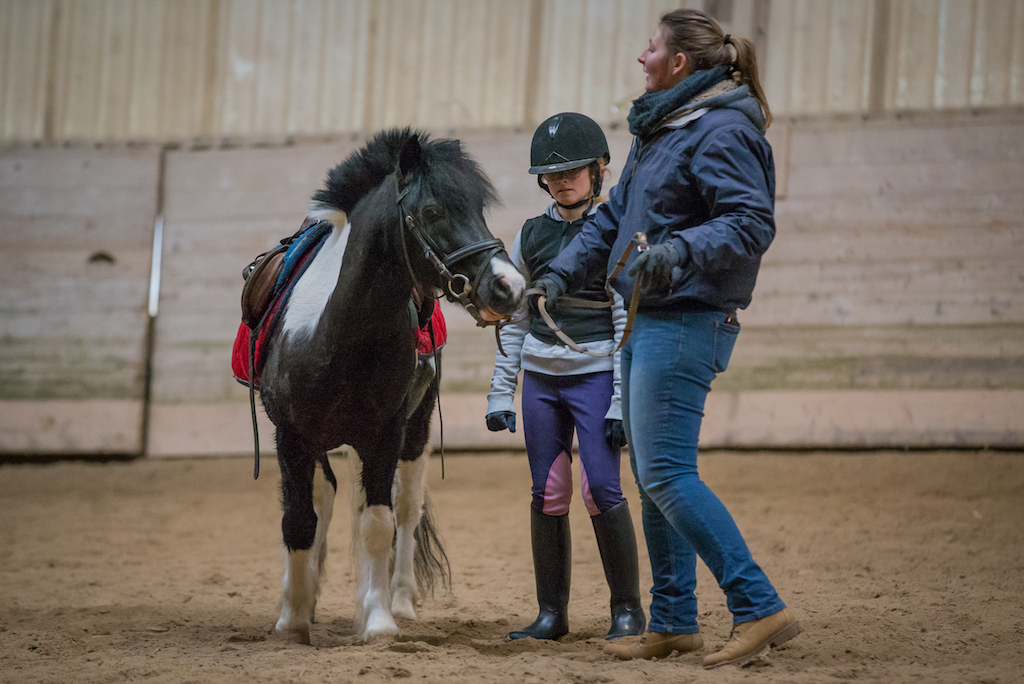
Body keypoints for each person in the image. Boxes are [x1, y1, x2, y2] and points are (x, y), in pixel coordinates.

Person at [529, 9, 802, 669]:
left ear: (679, 62)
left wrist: (677, 252)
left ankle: (758, 605)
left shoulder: (722, 129)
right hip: (654, 316)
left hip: (686, 319)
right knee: (654, 479)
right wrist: (562, 272)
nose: (640, 56)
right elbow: (615, 217)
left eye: (650, 47)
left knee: (667, 473)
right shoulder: (665, 129)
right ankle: (674, 619)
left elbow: (749, 223)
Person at [486, 112, 646, 642]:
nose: (562, 181)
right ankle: (551, 614)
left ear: (600, 170)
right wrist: (500, 391)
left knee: (601, 489)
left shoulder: (613, 233)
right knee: (548, 492)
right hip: (542, 382)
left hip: (595, 377)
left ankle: (627, 610)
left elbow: (624, 318)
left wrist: (621, 401)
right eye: (552, 175)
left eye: (574, 171)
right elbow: (515, 319)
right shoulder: (529, 236)